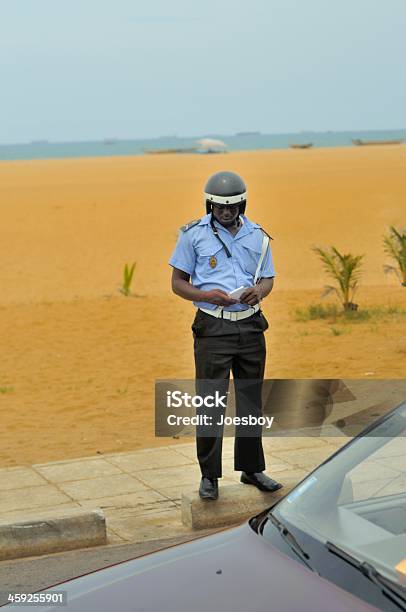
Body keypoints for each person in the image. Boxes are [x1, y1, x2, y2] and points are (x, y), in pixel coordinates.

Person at [169, 170, 283, 500]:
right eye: (219, 207)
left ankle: (251, 469)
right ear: (210, 205)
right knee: (210, 402)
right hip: (212, 328)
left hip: (250, 326)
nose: (226, 213)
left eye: (232, 207)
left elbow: (268, 279)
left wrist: (258, 292)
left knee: (250, 402)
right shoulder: (193, 235)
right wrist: (207, 296)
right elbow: (178, 283)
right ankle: (209, 476)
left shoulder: (259, 236)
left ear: (242, 205)